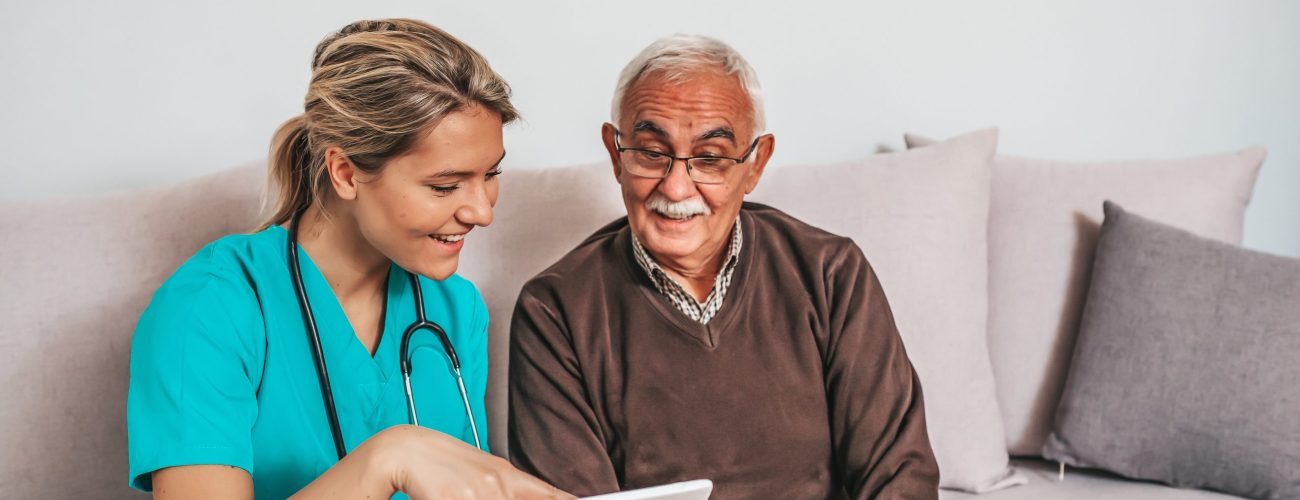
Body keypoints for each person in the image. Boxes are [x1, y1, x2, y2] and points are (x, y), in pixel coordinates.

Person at [127, 19, 570, 499]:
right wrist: (389, 459)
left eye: (490, 175)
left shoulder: (455, 309)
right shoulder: (209, 308)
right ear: (344, 172)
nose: (481, 211)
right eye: (444, 186)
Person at [508, 34, 940, 499]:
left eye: (710, 159)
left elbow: (900, 479)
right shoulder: (554, 308)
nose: (676, 188)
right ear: (616, 155)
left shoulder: (830, 273)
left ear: (755, 164)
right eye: (652, 153)